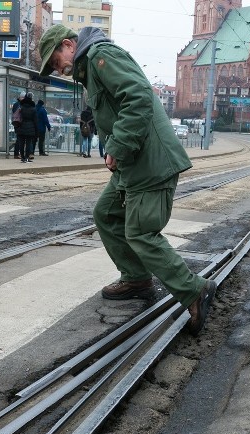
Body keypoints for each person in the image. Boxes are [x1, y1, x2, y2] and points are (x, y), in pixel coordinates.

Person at [38, 24, 217, 335]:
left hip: (150, 160)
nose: (60, 69)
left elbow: (138, 98)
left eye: (56, 61)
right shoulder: (90, 68)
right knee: (106, 214)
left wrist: (118, 146)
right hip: (132, 163)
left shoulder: (100, 56)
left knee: (141, 233)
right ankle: (136, 278)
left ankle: (194, 289)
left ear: (68, 45)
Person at [15, 92, 37, 162]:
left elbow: (16, 117)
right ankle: (27, 157)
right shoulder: (33, 109)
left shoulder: (21, 108)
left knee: (21, 143)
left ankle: (22, 157)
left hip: (21, 127)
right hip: (30, 128)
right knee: (28, 143)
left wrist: (16, 127)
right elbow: (36, 120)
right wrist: (36, 130)